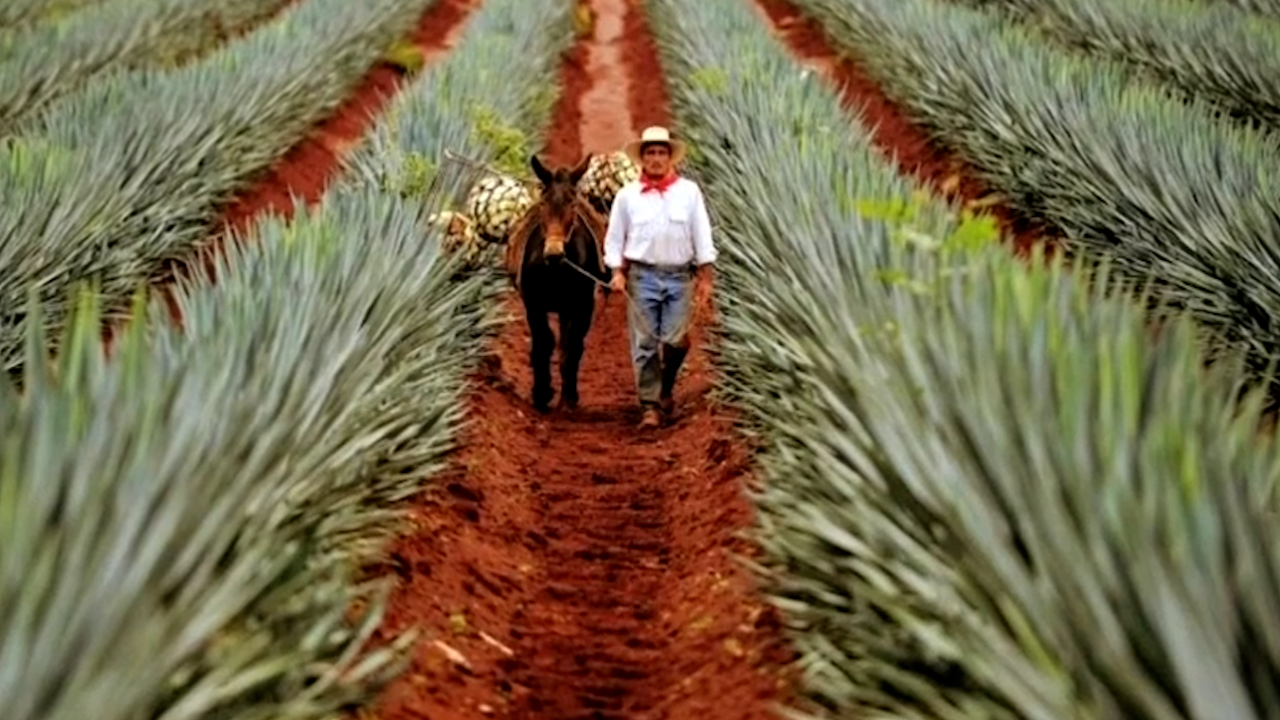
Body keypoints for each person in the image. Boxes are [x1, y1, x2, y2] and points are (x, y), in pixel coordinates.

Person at [603, 126, 717, 429]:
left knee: (677, 341)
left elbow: (701, 234)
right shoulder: (627, 196)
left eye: (661, 153)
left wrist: (706, 277)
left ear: (670, 157)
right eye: (650, 153)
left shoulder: (689, 192)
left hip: (680, 277)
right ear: (642, 158)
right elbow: (615, 238)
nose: (655, 159)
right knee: (644, 343)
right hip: (642, 277)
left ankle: (666, 386)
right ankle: (650, 406)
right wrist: (617, 272)